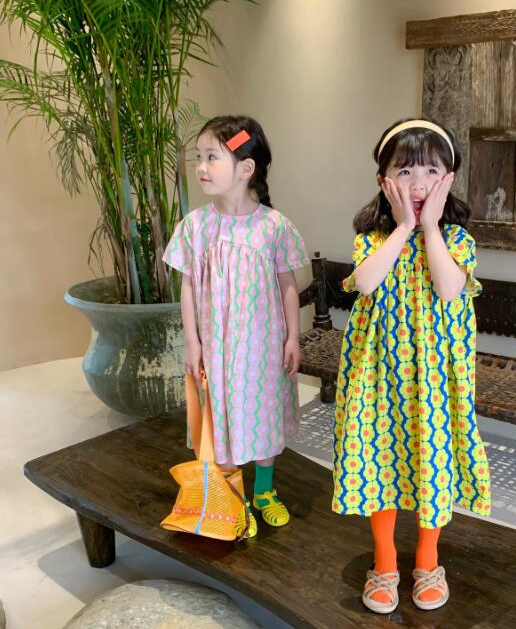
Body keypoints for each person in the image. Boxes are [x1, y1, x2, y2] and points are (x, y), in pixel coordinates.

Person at [332, 118, 491, 612]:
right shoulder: (373, 238)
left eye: (430, 171)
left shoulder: (456, 239)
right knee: (378, 458)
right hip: (378, 376)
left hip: (436, 379)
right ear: (384, 181)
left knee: (431, 462)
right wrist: (404, 227)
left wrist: (429, 226)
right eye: (404, 171)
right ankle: (384, 562)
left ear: (449, 179)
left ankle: (427, 560)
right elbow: (365, 283)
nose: (418, 183)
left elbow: (448, 287)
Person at [164, 115, 309, 537]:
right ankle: (234, 497)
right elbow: (187, 286)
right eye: (199, 157)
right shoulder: (195, 227)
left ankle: (263, 491)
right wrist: (192, 341)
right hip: (217, 350)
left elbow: (288, 286)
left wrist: (293, 336)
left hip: (262, 349)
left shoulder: (274, 226)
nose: (201, 167)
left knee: (264, 418)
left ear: (246, 169)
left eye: (212, 157)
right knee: (222, 417)